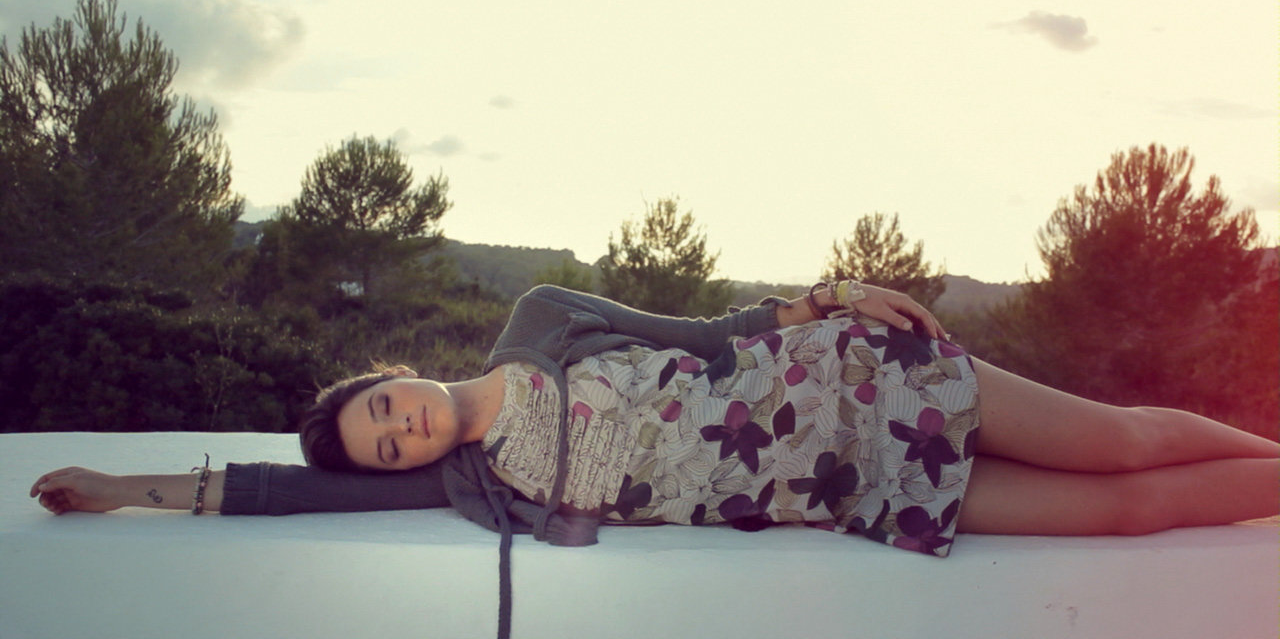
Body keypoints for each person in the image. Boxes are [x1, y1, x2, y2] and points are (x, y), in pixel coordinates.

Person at [30, 282, 1280, 638]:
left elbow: (699, 332)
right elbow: (277, 491)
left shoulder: (537, 322)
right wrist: (126, 493)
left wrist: (830, 298)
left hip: (850, 380)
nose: (401, 429)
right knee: (1126, 520)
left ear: (392, 375)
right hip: (846, 490)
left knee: (1126, 439)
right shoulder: (476, 482)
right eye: (385, 445)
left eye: (386, 408)